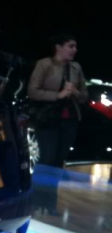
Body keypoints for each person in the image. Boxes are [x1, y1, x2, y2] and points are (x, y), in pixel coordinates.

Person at [28, 34, 88, 168]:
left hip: (70, 120)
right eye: (71, 46)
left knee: (60, 160)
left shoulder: (76, 67)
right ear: (58, 47)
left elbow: (84, 96)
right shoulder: (44, 64)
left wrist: (74, 91)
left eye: (75, 46)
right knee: (47, 158)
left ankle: (52, 189)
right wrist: (58, 95)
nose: (75, 50)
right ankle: (40, 188)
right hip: (48, 118)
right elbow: (32, 91)